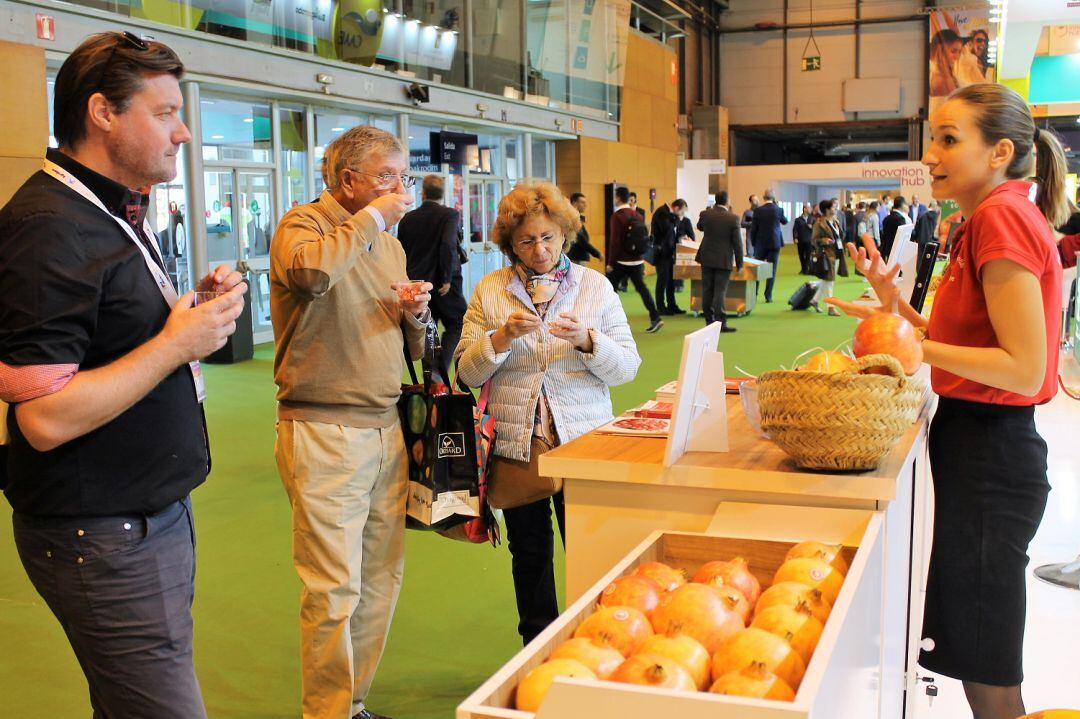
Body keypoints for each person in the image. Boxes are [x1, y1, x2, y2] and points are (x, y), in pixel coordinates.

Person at [0, 32, 247, 718]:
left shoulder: (104, 206)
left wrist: (183, 314)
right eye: (166, 111)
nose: (184, 132)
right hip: (102, 531)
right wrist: (175, 344)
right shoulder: (52, 226)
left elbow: (106, 332)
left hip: (139, 516)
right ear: (103, 112)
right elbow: (43, 418)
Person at [829, 82, 1068, 719]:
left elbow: (1023, 368)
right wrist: (894, 308)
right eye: (931, 137)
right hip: (978, 447)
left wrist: (912, 347)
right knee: (974, 647)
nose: (930, 153)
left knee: (986, 661)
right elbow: (965, 336)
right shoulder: (984, 217)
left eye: (948, 139)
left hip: (995, 452)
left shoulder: (1002, 217)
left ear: (1000, 152)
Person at [270, 125, 430, 719]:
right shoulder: (303, 225)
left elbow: (408, 345)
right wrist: (371, 220)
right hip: (323, 430)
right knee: (333, 588)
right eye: (387, 176)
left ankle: (351, 703)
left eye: (403, 176)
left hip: (385, 426)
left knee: (380, 581)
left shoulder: (389, 243)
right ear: (348, 182)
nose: (399, 188)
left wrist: (415, 314)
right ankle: (327, 714)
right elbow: (310, 275)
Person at [455, 181, 640, 645]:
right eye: (526, 241)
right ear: (508, 243)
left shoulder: (595, 287)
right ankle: (537, 648)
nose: (539, 250)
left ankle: (597, 642)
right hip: (518, 447)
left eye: (548, 238)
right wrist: (498, 340)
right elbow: (466, 373)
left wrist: (589, 342)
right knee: (531, 556)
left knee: (588, 552)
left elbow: (627, 368)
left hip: (583, 444)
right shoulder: (490, 290)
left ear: (564, 234)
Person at [397, 174, 466, 361]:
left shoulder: (407, 219)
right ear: (443, 194)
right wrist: (446, 278)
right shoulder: (450, 215)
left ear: (423, 193)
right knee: (457, 324)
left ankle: (430, 377)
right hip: (443, 285)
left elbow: (400, 251)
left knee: (427, 328)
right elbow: (448, 245)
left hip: (417, 284)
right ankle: (439, 370)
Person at [607, 186, 663, 333]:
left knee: (608, 288)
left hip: (622, 261)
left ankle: (611, 320)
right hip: (637, 259)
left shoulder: (617, 216)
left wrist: (611, 262)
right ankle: (655, 317)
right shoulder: (637, 215)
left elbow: (615, 242)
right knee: (642, 288)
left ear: (618, 198)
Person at [695, 191, 743, 331]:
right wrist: (739, 263)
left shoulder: (706, 214)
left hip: (706, 257)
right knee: (720, 291)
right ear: (727, 201)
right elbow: (737, 243)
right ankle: (721, 322)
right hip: (723, 258)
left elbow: (699, 227)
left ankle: (709, 321)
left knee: (707, 289)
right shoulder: (733, 218)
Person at [749, 189, 788, 303]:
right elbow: (784, 221)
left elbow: (754, 229)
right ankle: (768, 295)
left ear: (763, 197)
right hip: (774, 243)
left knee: (757, 270)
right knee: (772, 270)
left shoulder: (758, 210)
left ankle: (754, 293)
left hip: (760, 243)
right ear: (774, 198)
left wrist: (753, 242)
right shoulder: (779, 210)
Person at [650, 199, 688, 315]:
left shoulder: (670, 215)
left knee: (671, 280)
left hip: (669, 252)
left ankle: (672, 305)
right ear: (676, 208)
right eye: (682, 212)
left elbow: (673, 233)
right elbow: (667, 230)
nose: (682, 215)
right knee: (662, 280)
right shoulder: (662, 212)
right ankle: (660, 307)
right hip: (661, 253)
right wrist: (677, 219)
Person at [809, 199, 843, 316]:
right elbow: (813, 240)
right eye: (833, 207)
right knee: (829, 281)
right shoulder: (819, 223)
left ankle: (814, 300)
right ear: (827, 210)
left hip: (837, 253)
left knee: (827, 280)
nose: (835, 209)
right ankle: (831, 307)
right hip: (827, 255)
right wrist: (824, 240)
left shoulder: (835, 222)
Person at [566, 192, 601, 265]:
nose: (586, 205)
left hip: (577, 257)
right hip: (576, 258)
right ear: (575, 204)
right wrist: (597, 253)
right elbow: (580, 239)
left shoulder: (577, 218)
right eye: (582, 202)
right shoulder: (573, 219)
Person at [930, 29, 962, 97]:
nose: (957, 57)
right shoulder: (940, 80)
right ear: (940, 51)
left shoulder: (949, 73)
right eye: (953, 51)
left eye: (959, 52)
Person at [881, 195, 912, 261]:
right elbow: (904, 235)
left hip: (887, 248)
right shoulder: (901, 218)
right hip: (898, 249)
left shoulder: (886, 218)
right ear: (903, 205)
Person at [793, 202, 815, 275]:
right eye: (809, 208)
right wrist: (795, 238)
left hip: (809, 240)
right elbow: (795, 229)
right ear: (805, 209)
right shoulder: (798, 220)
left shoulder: (812, 219)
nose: (810, 209)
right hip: (801, 240)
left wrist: (812, 228)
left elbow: (816, 229)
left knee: (808, 255)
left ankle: (807, 269)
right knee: (801, 255)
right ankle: (803, 268)